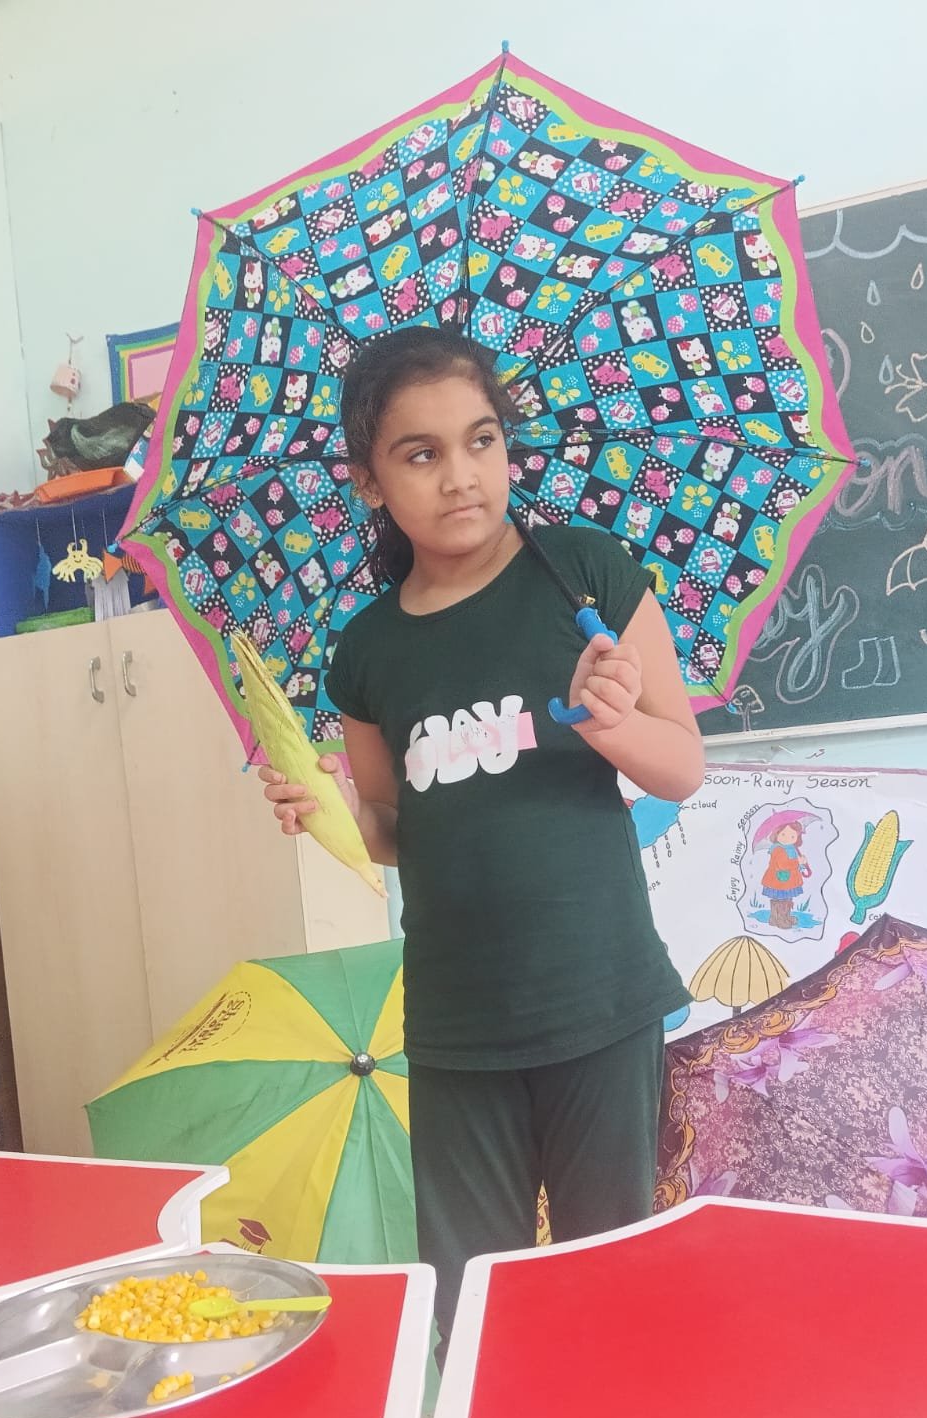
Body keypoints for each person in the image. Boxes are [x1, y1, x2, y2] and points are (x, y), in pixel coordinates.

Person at [259, 326, 705, 1357]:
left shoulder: (581, 575)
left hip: (599, 999)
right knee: (471, 1307)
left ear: (506, 444)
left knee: (609, 1284)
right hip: (456, 1024)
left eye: (481, 440)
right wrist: (330, 811)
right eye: (420, 454)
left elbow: (681, 765)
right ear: (369, 480)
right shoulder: (367, 651)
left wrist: (612, 725)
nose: (460, 475)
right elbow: (395, 833)